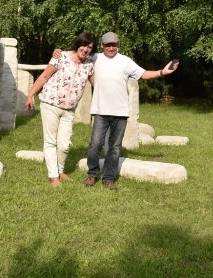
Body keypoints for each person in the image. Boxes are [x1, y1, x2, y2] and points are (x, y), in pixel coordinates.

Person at [55, 31, 179, 191]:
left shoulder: (125, 61)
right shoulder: (95, 58)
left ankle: (108, 178)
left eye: (114, 45)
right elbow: (76, 56)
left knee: (114, 147)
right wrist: (58, 52)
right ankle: (92, 174)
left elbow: (144, 74)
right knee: (95, 144)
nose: (111, 48)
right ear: (102, 46)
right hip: (100, 111)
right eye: (108, 45)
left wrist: (163, 72)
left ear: (118, 46)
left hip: (120, 113)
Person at [27, 32, 96, 188]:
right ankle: (54, 177)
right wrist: (31, 94)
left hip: (70, 109)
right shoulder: (61, 56)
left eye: (89, 47)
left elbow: (96, 85)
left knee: (65, 144)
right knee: (50, 142)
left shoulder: (89, 63)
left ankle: (59, 170)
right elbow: (44, 76)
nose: (85, 49)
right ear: (78, 44)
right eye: (84, 45)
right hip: (50, 104)